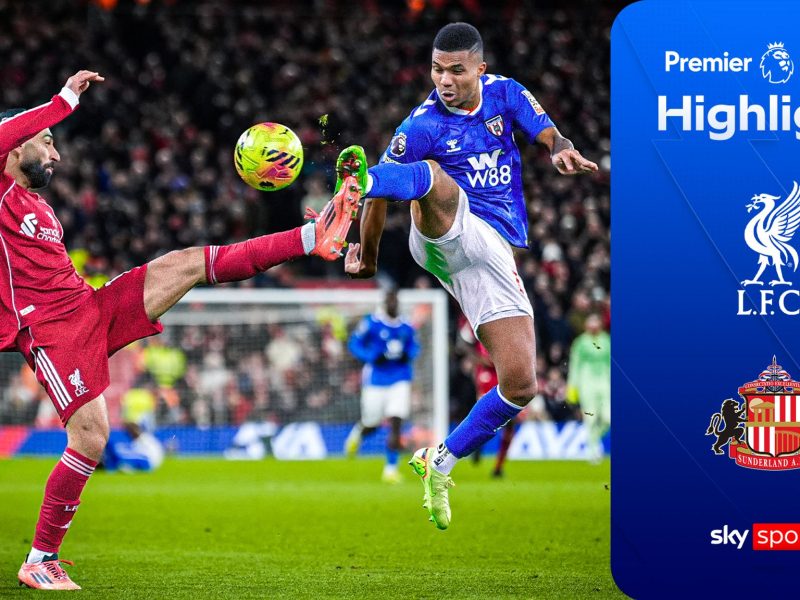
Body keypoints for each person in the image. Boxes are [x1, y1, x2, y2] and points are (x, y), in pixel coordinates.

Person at [4, 70, 362, 590]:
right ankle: (40, 559)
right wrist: (63, 101)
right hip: (51, 331)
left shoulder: (38, 205)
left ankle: (311, 238)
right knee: (91, 437)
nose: (56, 155)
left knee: (188, 262)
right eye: (47, 142)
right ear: (16, 144)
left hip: (89, 306)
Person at [340, 23, 597, 529]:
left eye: (456, 70)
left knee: (520, 384)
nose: (444, 80)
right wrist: (368, 252)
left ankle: (440, 461)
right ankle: (360, 176)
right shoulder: (422, 125)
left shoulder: (505, 93)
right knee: (433, 178)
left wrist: (558, 148)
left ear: (480, 68)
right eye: (437, 69)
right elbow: (382, 195)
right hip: (444, 233)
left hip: (490, 254)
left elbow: (546, 129)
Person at [344, 288, 420, 483]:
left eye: (395, 301)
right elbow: (354, 344)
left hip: (400, 379)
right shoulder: (372, 323)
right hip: (376, 380)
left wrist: (408, 355)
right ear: (385, 304)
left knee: (396, 421)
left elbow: (414, 346)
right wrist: (371, 357)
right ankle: (358, 433)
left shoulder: (406, 325)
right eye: (390, 301)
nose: (393, 304)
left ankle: (390, 469)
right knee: (373, 423)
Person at [566, 313, 611, 463]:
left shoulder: (606, 340)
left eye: (595, 322)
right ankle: (592, 450)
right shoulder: (580, 342)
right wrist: (572, 387)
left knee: (608, 418)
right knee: (590, 419)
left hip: (604, 382)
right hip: (586, 382)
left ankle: (594, 440)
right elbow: (575, 365)